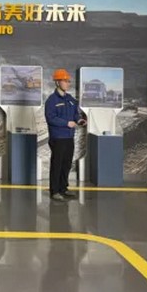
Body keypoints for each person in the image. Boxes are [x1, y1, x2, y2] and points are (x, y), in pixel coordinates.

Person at [44, 68, 85, 202]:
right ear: (57, 82)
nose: (68, 83)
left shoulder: (70, 99)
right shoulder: (52, 100)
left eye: (68, 81)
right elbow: (50, 118)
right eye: (65, 81)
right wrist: (66, 123)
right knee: (57, 164)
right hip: (58, 138)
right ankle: (55, 191)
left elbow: (75, 114)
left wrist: (79, 120)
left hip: (69, 137)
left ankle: (63, 188)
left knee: (66, 163)